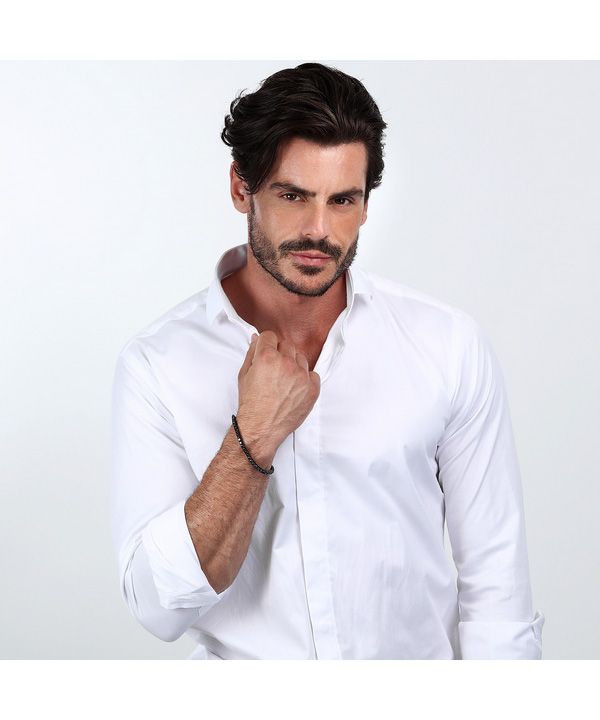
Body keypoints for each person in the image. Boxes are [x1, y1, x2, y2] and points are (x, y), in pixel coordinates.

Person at [110, 62, 545, 659]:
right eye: (293, 196)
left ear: (365, 205)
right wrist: (253, 436)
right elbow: (159, 608)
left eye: (343, 200)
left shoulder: (448, 346)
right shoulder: (157, 365)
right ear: (241, 188)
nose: (319, 230)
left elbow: (498, 597)